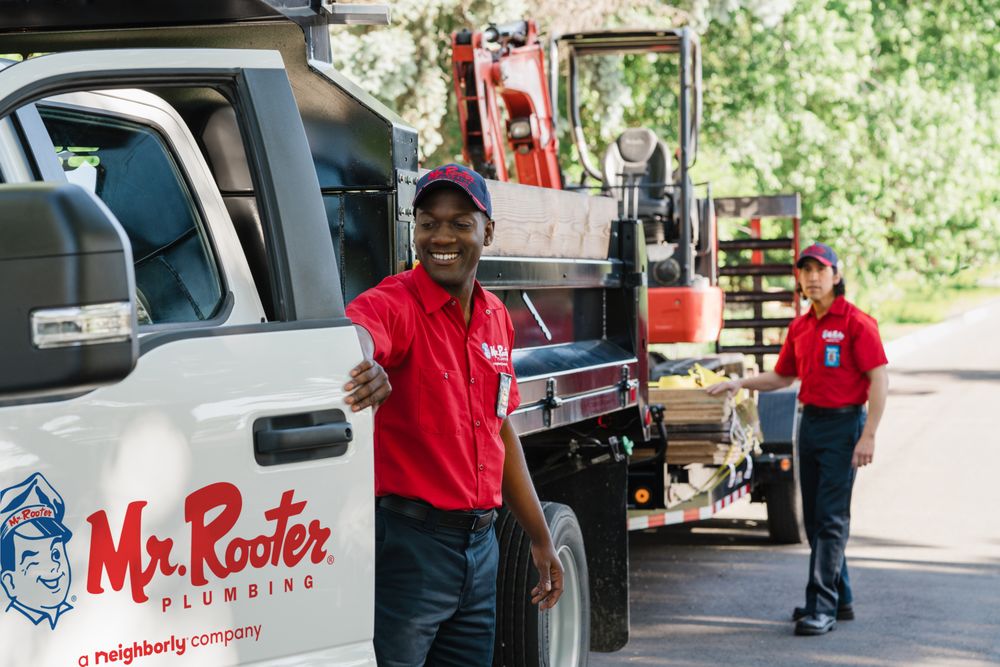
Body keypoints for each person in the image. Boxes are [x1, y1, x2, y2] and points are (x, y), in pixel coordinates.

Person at [343, 164, 563, 666]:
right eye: (428, 222)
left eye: (460, 223)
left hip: (481, 550)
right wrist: (360, 361)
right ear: (414, 229)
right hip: (409, 549)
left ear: (487, 231)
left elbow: (499, 430)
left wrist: (540, 537)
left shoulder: (496, 317)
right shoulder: (395, 302)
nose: (441, 236)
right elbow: (354, 331)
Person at [708, 242, 888, 636]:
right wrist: (739, 382)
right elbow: (783, 377)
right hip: (809, 425)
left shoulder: (857, 323)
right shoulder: (801, 326)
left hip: (845, 427)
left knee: (831, 517)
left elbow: (878, 379)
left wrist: (869, 435)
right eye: (806, 271)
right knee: (814, 517)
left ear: (836, 276)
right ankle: (842, 600)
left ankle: (820, 607)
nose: (813, 277)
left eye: (820, 270)